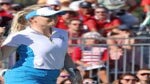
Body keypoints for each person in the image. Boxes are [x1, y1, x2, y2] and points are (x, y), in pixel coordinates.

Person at [0, 7, 82, 84]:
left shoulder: (62, 33)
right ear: (32, 19)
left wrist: (74, 73)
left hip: (51, 78)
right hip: (24, 77)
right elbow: (2, 56)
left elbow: (63, 55)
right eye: (48, 15)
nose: (54, 17)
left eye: (55, 15)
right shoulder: (21, 35)